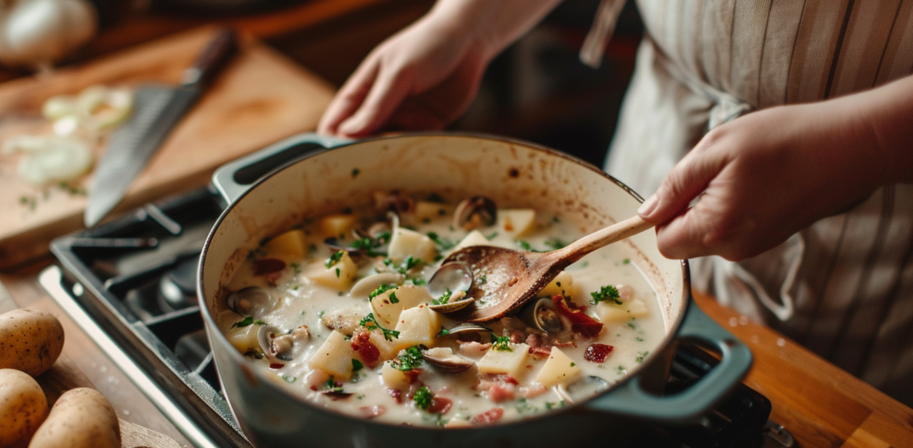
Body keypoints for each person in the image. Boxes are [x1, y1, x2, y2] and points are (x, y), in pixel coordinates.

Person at [319, 0, 913, 399]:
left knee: (832, 418)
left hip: (876, 234)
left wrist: (865, 142)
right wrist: (467, 24)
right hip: (653, 161)